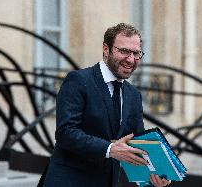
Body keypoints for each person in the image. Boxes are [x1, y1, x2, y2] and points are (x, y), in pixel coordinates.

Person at [41, 23, 170, 187]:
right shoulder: (78, 80)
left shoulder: (133, 95)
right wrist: (110, 149)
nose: (130, 59)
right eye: (123, 51)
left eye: (136, 53)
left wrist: (156, 174)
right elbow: (66, 133)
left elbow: (137, 143)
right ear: (106, 49)